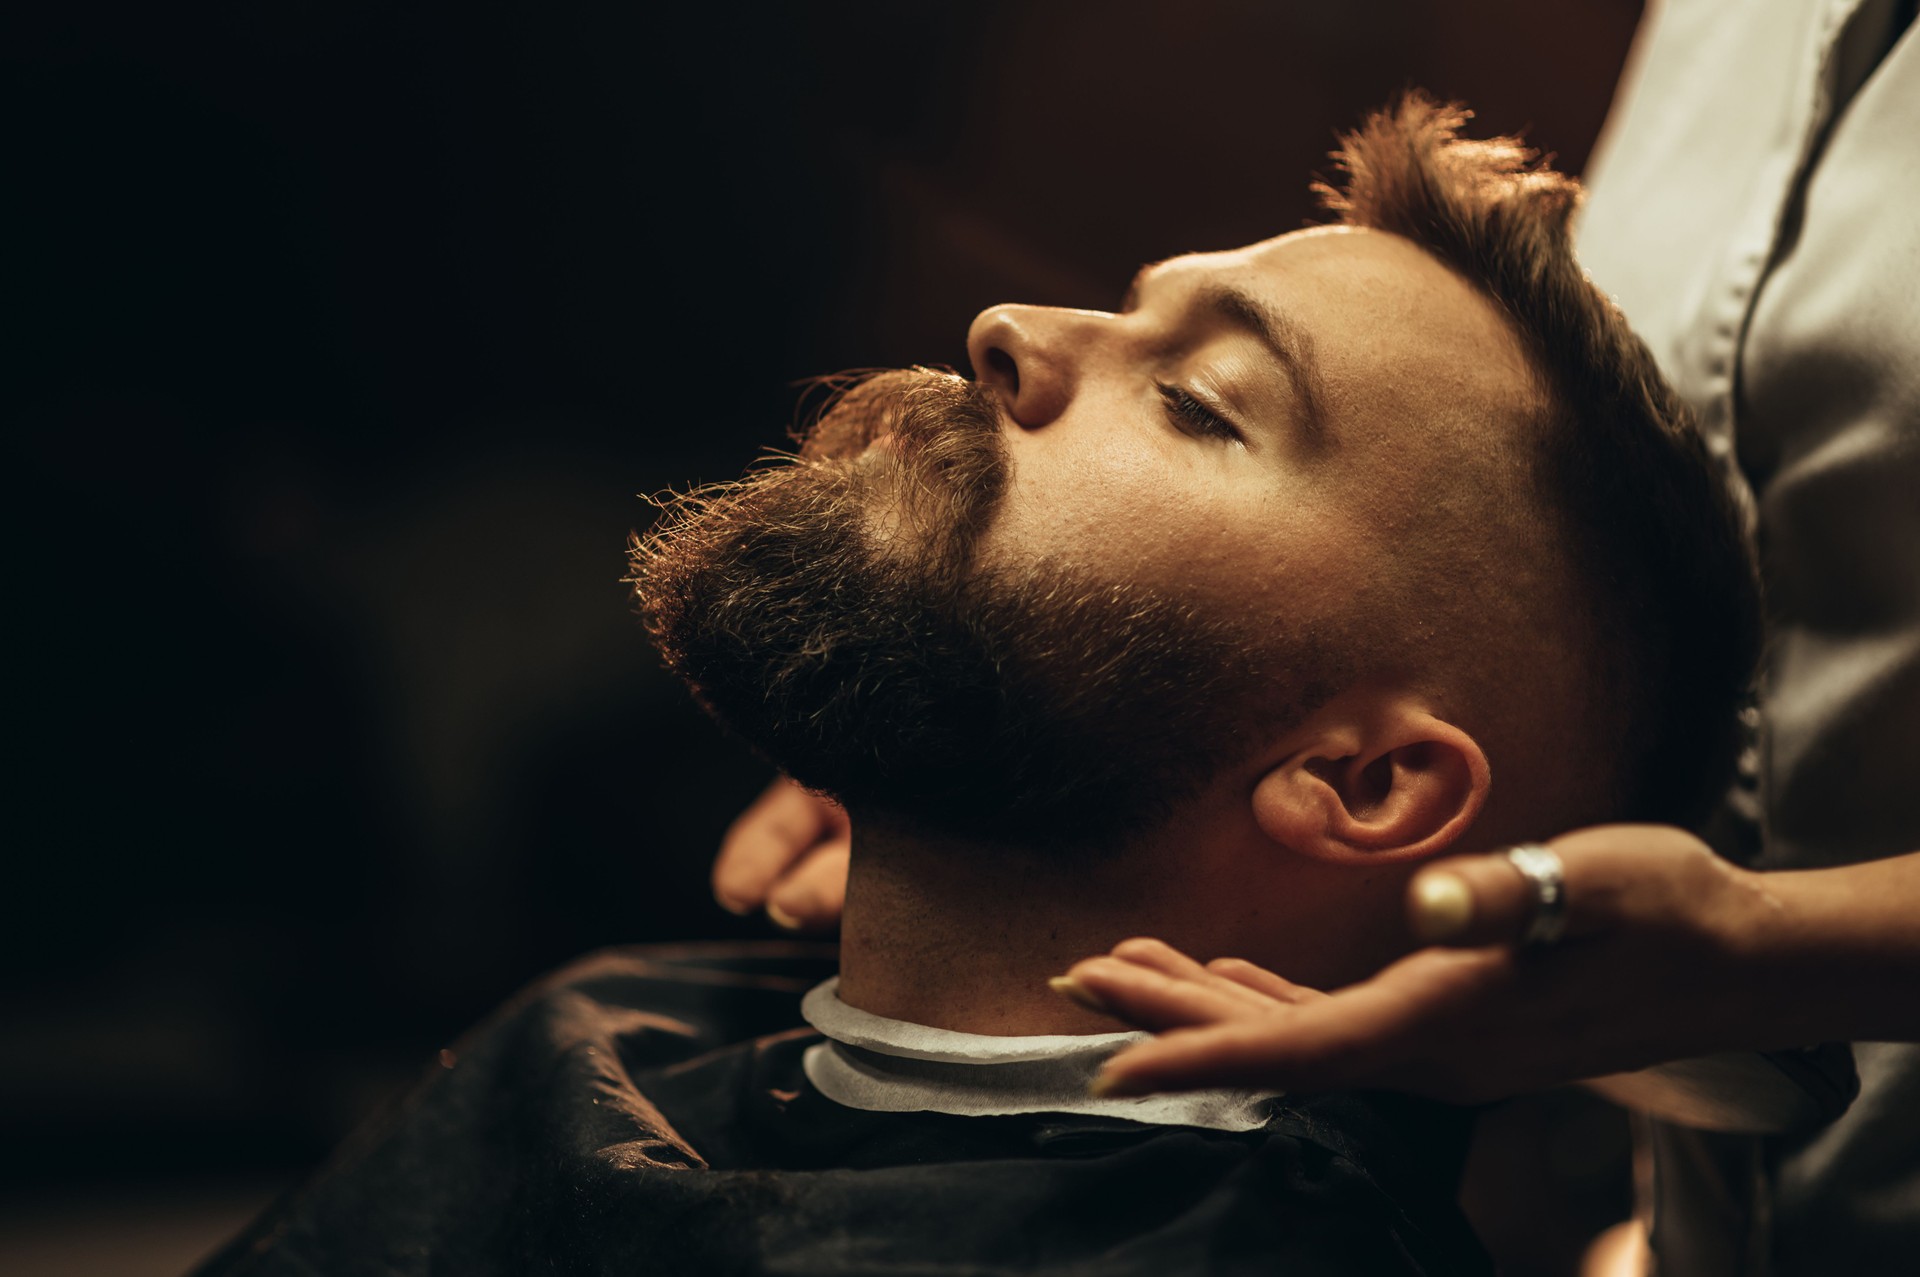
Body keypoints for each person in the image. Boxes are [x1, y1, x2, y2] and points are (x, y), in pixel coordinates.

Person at [198, 97, 1757, 1274]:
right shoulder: (619, 1038)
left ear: (1362, 783)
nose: (1007, 327)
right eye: (1121, 302)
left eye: (1203, 405)